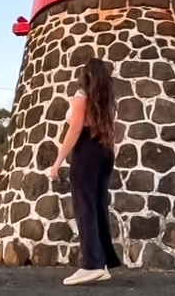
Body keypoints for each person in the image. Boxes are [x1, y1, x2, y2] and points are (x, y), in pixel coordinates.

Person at [50, 57, 122, 286]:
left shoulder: (82, 96)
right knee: (98, 207)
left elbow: (75, 128)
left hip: (87, 150)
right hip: (105, 151)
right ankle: (103, 263)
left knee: (84, 207)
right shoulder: (108, 100)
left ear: (86, 75)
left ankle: (92, 265)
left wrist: (58, 160)